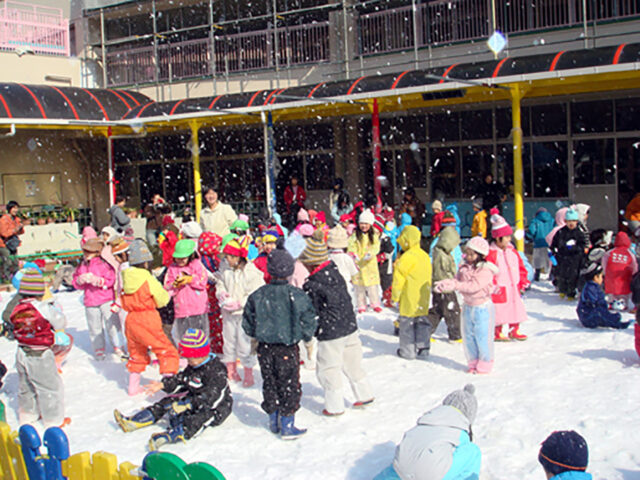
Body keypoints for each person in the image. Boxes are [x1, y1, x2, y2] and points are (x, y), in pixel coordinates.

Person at [242, 240, 317, 438]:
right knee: (289, 384)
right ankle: (287, 423)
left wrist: (254, 337)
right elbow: (308, 319)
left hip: (264, 348)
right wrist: (308, 340)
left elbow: (248, 321)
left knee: (270, 381)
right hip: (287, 348)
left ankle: (273, 419)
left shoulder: (258, 295)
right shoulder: (296, 295)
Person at [114, 328, 232, 451]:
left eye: (190, 359)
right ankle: (138, 419)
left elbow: (212, 396)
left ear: (201, 354)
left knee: (201, 417)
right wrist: (163, 385)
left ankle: (175, 434)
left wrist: (188, 405)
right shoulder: (194, 365)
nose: (189, 362)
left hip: (216, 406)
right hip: (194, 396)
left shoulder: (216, 370)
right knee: (168, 401)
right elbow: (182, 378)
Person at [299, 230, 374, 416]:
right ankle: (364, 394)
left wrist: (309, 332)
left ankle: (334, 406)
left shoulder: (312, 285)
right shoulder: (334, 272)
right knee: (352, 363)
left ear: (311, 263)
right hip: (349, 326)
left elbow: (312, 312)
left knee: (328, 368)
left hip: (330, 332)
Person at [374, 384, 480, 480]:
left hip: (402, 469)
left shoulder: (427, 420)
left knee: (409, 462)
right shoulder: (459, 429)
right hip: (431, 475)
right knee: (473, 451)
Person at [10, 269, 70, 427]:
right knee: (49, 387)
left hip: (22, 351)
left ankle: (27, 417)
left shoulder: (16, 308)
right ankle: (53, 421)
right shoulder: (42, 308)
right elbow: (60, 321)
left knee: (26, 388)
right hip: (40, 353)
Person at [120, 240, 180, 395]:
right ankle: (169, 383)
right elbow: (162, 299)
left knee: (136, 352)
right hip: (147, 316)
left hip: (131, 319)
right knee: (165, 350)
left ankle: (133, 386)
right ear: (146, 263)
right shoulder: (147, 277)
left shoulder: (127, 277)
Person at [436, 237, 497, 374]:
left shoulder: (485, 271)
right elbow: (457, 280)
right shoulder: (464, 267)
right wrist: (447, 284)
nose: (468, 257)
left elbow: (473, 286)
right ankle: (472, 362)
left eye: (472, 254)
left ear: (480, 255)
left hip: (481, 307)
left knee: (482, 336)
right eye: (467, 253)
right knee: (468, 336)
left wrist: (456, 285)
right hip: (468, 306)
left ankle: (485, 363)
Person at [216, 237, 265, 387]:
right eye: (226, 257)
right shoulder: (225, 269)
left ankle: (248, 371)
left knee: (245, 344)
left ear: (239, 257)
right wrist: (222, 294)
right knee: (229, 341)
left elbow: (256, 291)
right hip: (228, 314)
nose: (228, 260)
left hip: (245, 314)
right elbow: (220, 283)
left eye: (230, 257)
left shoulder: (251, 272)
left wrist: (241, 303)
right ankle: (231, 369)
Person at [72, 237, 124, 360]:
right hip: (90, 300)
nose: (86, 254)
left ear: (97, 252)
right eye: (85, 251)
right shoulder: (82, 266)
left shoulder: (104, 265)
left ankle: (118, 345)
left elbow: (111, 279)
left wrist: (100, 281)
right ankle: (98, 348)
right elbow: (75, 281)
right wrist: (79, 280)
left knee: (112, 324)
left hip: (106, 298)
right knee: (94, 326)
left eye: (89, 252)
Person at [487, 210, 529, 341]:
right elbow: (488, 271)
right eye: (506, 237)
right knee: (499, 310)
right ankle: (497, 330)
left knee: (515, 307)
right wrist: (492, 285)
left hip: (513, 286)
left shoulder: (512, 252)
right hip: (499, 287)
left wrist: (522, 281)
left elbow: (521, 267)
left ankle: (514, 329)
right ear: (498, 238)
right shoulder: (492, 253)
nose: (509, 239)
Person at [392, 225, 432, 360]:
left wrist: (395, 296)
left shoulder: (406, 258)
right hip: (423, 297)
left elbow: (399, 280)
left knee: (407, 324)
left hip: (409, 296)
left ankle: (407, 351)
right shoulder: (425, 256)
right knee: (422, 322)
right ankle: (423, 348)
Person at [164, 239, 209, 342]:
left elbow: (203, 281)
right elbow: (167, 286)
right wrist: (175, 285)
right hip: (181, 308)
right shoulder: (172, 268)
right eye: (177, 258)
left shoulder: (197, 265)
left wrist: (190, 279)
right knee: (183, 336)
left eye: (183, 258)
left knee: (200, 335)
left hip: (198, 308)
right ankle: (185, 355)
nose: (180, 261)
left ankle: (201, 354)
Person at [429, 225, 461, 342]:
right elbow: (442, 273)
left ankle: (426, 330)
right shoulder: (441, 256)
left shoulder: (442, 253)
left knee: (438, 311)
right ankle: (455, 334)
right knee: (452, 311)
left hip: (442, 287)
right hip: (445, 288)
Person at [348, 209, 382, 313]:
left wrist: (371, 253)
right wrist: (353, 254)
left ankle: (375, 303)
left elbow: (376, 246)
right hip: (358, 265)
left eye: (366, 223)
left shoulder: (374, 235)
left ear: (370, 224)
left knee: (372, 286)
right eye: (362, 223)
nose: (363, 226)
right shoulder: (355, 235)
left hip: (369, 264)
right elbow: (351, 246)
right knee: (359, 287)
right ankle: (361, 305)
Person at [577, 263, 630, 329]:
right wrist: (604, 307)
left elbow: (599, 300)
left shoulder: (594, 287)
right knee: (601, 314)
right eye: (601, 276)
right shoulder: (590, 288)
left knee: (604, 314)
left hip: (589, 314)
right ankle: (617, 325)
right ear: (596, 277)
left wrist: (609, 304)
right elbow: (592, 303)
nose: (602, 279)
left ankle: (612, 318)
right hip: (588, 316)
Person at [551, 209, 587, 301]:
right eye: (569, 221)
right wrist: (554, 251)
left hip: (575, 259)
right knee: (562, 275)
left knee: (573, 276)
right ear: (565, 221)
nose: (571, 223)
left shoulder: (579, 233)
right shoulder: (561, 232)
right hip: (562, 258)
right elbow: (554, 243)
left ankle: (571, 293)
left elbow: (582, 246)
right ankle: (562, 290)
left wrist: (574, 248)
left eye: (573, 221)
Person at [198, 232, 224, 354]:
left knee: (212, 321)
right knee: (216, 321)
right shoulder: (211, 259)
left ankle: (215, 344)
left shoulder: (202, 259)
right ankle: (217, 345)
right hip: (212, 294)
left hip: (208, 295)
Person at [602, 231, 637, 310]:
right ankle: (623, 302)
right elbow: (634, 265)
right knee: (623, 291)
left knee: (612, 290)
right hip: (624, 277)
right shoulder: (629, 253)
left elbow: (604, 262)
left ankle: (612, 302)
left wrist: (606, 273)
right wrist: (633, 274)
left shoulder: (610, 252)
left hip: (611, 277)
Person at [527, 207, 555, 281]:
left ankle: (537, 275)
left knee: (538, 261)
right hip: (549, 243)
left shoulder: (535, 221)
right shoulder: (552, 220)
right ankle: (550, 275)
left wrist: (529, 236)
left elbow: (532, 231)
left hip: (538, 243)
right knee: (550, 260)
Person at [0, 200, 24, 282]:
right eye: (14, 208)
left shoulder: (17, 219)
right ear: (9, 209)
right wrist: (14, 230)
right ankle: (6, 279)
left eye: (17, 208)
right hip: (3, 244)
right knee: (8, 261)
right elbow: (4, 233)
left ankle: (16, 279)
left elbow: (21, 232)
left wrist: (21, 228)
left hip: (12, 244)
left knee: (15, 262)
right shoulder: (4, 219)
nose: (16, 210)